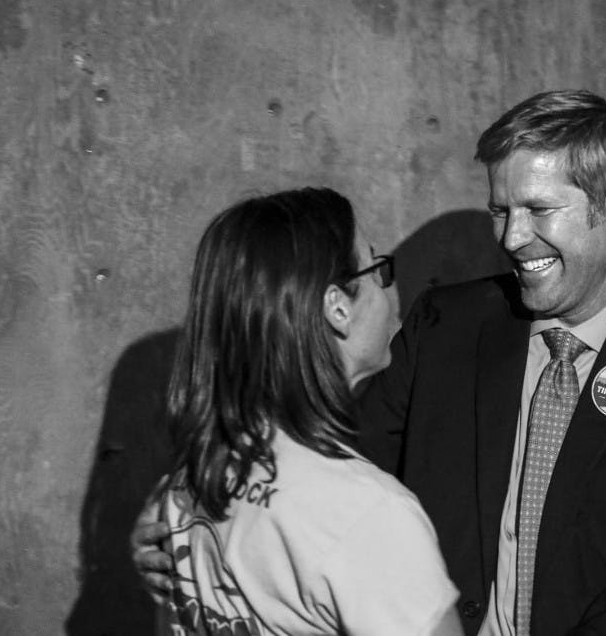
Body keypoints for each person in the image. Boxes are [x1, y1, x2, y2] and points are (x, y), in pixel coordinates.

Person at [135, 92, 606, 635]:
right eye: (500, 209)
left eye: (540, 210)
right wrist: (187, 521)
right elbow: (317, 471)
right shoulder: (445, 324)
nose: (512, 237)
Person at [147, 188, 462, 635]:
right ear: (338, 307)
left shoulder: (187, 482)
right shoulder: (368, 514)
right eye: (377, 268)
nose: (390, 290)